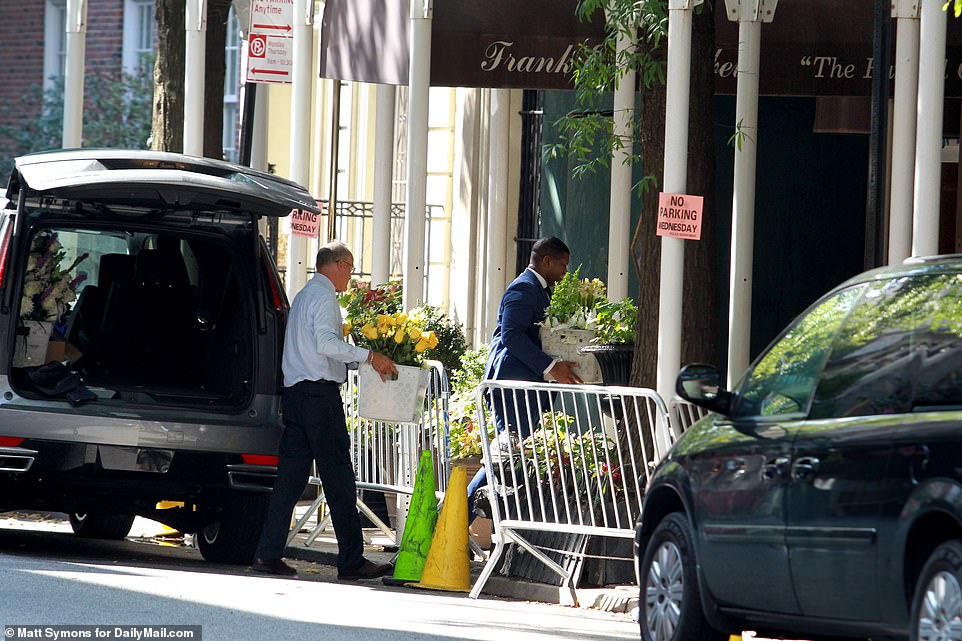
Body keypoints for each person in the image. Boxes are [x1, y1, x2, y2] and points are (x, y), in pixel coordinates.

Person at [251, 241, 398, 579]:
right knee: (338, 478)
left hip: (297, 395)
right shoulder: (325, 297)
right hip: (318, 396)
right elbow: (326, 344)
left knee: (290, 479)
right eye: (350, 266)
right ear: (339, 264)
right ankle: (351, 560)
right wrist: (369, 356)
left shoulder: (304, 296)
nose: (351, 274)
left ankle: (267, 553)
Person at [467, 237, 583, 521]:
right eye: (563, 265)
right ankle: (450, 519)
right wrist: (551, 367)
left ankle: (457, 520)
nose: (565, 272)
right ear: (546, 261)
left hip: (522, 386)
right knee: (504, 456)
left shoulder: (539, 290)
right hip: (511, 385)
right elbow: (511, 336)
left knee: (508, 456)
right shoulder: (524, 288)